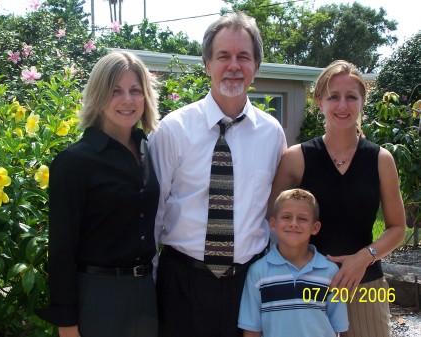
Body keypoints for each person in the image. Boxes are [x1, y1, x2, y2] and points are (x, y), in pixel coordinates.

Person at [148, 11, 287, 337]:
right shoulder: (174, 129)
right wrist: (150, 285)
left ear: (256, 67)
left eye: (244, 57)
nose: (234, 65)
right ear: (208, 64)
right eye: (223, 56)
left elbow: (274, 214)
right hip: (181, 283)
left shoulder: (272, 135)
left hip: (248, 285)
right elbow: (152, 215)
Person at [266, 60, 406, 337]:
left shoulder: (380, 160)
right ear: (319, 102)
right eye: (333, 97)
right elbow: (272, 221)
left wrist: (364, 257)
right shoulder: (297, 158)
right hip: (306, 287)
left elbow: (397, 228)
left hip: (365, 287)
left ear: (363, 101)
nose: (342, 105)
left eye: (351, 97)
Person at [36, 51, 160, 337]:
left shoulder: (149, 152)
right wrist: (66, 324)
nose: (127, 100)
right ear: (99, 95)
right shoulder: (75, 162)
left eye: (135, 90)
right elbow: (61, 249)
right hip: (98, 297)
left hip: (145, 294)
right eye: (115, 91)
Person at [239, 188, 348, 337]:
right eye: (286, 217)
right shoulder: (258, 272)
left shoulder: (330, 272)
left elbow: (337, 328)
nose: (294, 224)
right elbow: (251, 329)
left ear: (315, 228)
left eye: (302, 219)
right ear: (273, 223)